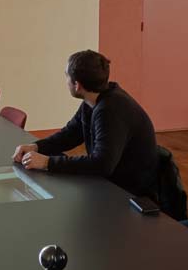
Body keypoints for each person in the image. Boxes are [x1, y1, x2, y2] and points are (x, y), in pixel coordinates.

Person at [13, 50, 158, 198]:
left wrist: (47, 163)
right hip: (111, 184)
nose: (65, 81)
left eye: (66, 76)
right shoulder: (94, 99)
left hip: (128, 194)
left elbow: (102, 164)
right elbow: (70, 134)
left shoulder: (110, 109)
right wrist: (36, 147)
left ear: (77, 85)